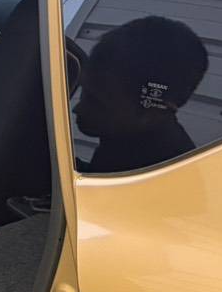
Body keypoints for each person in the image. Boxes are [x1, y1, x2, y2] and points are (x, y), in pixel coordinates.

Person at [73, 15, 209, 174]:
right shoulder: (129, 139)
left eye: (97, 102)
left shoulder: (160, 174)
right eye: (84, 92)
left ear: (154, 111)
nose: (77, 108)